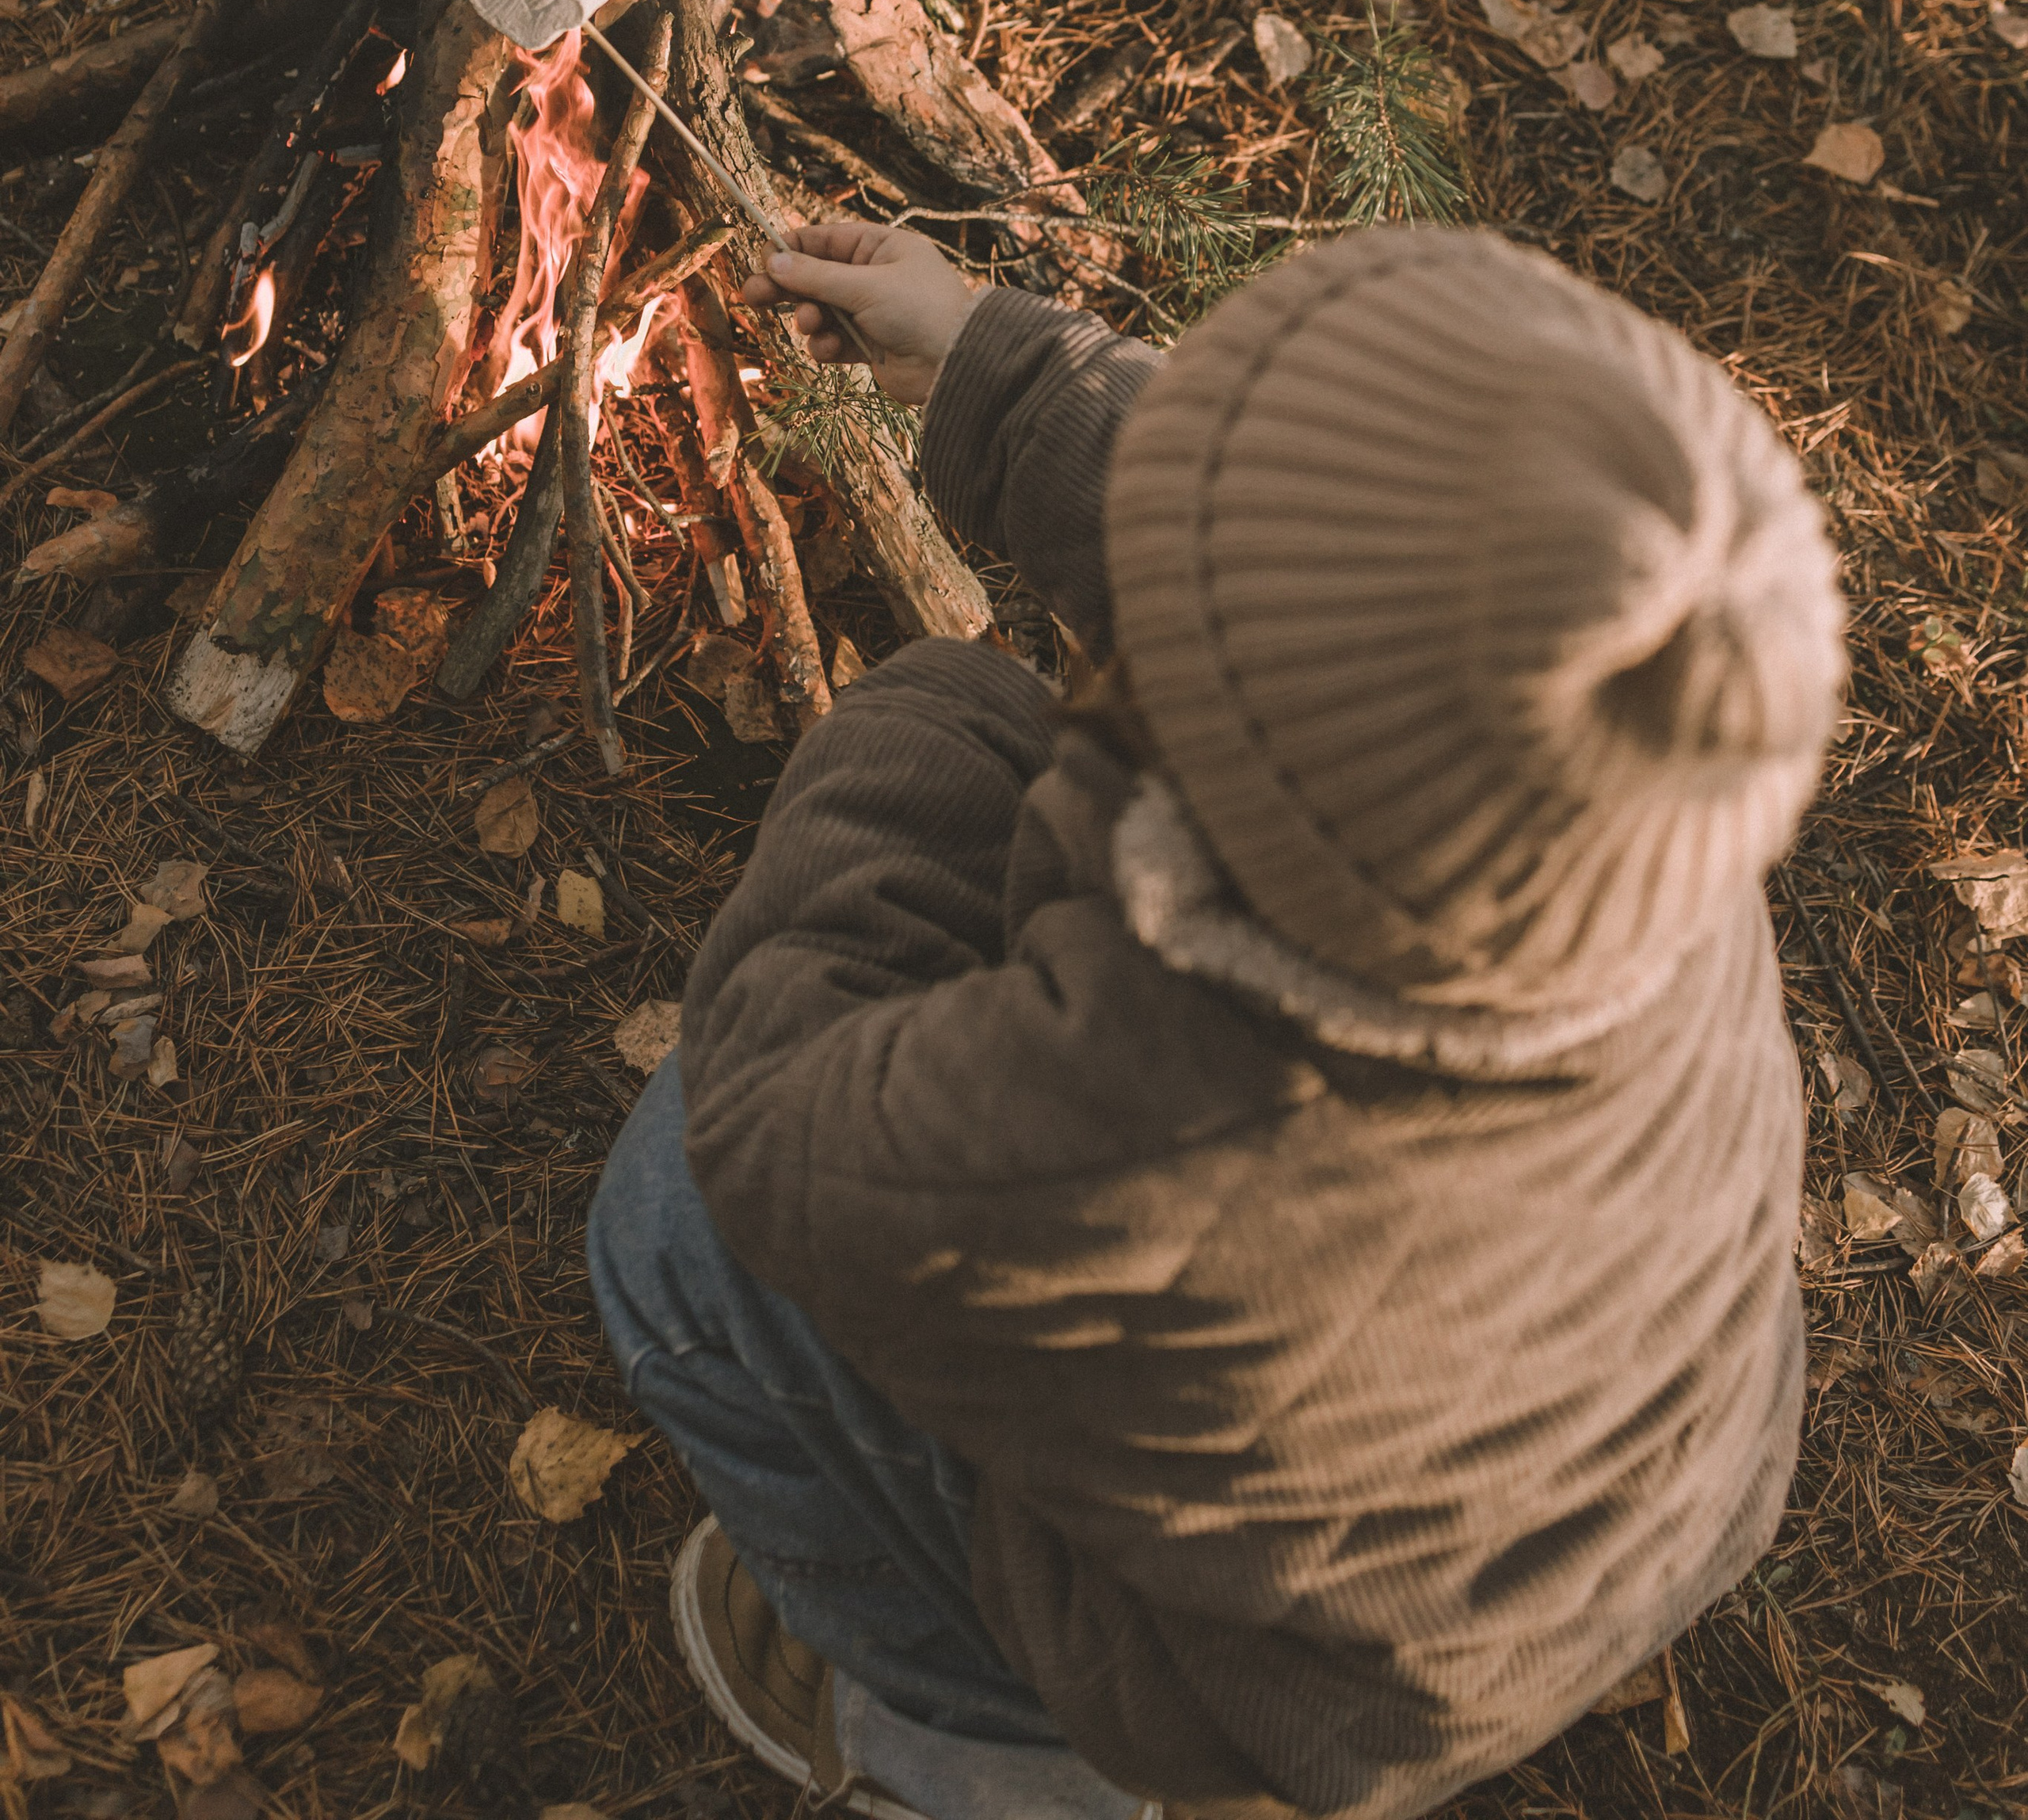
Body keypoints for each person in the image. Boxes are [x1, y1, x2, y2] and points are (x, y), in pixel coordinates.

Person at [588, 221, 1843, 1820]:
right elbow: (1359, 568)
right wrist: (994, 364)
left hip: (1260, 1684)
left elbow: (776, 1128)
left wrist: (920, 726)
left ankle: (973, 1744)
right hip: (1628, 1493)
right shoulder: (1616, 790)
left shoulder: (1169, 1108)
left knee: (673, 1217)